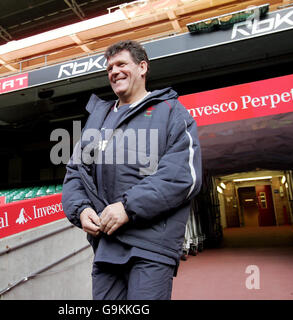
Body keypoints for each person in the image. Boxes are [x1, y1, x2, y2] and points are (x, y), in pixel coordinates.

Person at [62, 40, 202, 300]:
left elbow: (184, 177)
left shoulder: (171, 112)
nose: (114, 72)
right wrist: (81, 210)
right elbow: (75, 175)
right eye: (109, 68)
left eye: (121, 64)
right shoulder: (98, 120)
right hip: (107, 247)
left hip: (151, 248)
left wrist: (128, 207)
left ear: (142, 67)